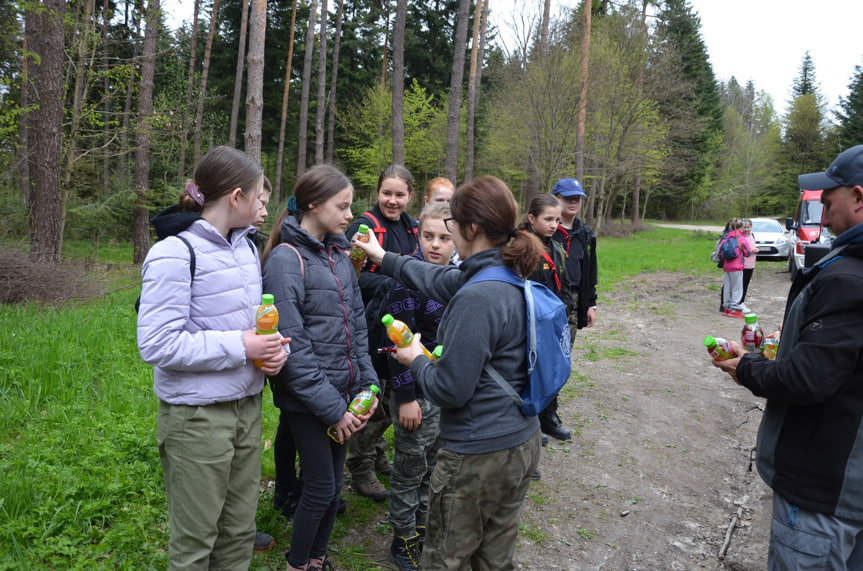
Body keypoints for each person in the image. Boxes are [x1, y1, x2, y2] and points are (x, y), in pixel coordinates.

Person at [354, 175, 543, 570]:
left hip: (481, 453)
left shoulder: (477, 296)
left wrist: (413, 358)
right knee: (494, 556)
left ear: (471, 228)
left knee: (445, 558)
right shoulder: (502, 272)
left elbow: (451, 390)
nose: (446, 234)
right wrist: (381, 256)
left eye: (452, 225)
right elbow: (436, 278)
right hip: (520, 439)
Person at [137, 146, 289, 570]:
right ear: (236, 197)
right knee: (196, 542)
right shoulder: (174, 253)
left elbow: (250, 325)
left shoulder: (244, 249)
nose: (264, 206)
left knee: (239, 532)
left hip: (246, 409)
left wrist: (273, 348)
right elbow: (157, 344)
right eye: (260, 196)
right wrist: (243, 346)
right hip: (197, 419)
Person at [712, 144, 863, 570]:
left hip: (824, 491)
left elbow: (807, 380)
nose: (824, 211)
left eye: (829, 200)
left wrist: (746, 366)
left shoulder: (849, 279)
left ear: (858, 197)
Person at [261, 165, 379, 571]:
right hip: (309, 403)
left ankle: (317, 559)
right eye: (342, 206)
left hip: (344, 397)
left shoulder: (339, 257)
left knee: (332, 490)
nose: (350, 215)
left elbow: (357, 326)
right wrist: (335, 411)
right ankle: (297, 564)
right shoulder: (284, 260)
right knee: (319, 488)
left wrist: (368, 386)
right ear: (313, 203)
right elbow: (293, 347)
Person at [385, 202, 454, 570]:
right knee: (409, 468)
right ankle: (403, 536)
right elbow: (395, 348)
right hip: (417, 395)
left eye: (445, 237)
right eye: (428, 236)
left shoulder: (460, 278)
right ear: (418, 235)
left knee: (436, 464)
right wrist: (406, 398)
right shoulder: (406, 280)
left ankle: (425, 524)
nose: (436, 245)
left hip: (447, 393)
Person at [346, 164, 420, 502]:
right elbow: (351, 275)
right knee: (376, 396)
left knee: (396, 392)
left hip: (403, 322)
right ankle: (359, 463)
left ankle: (375, 452)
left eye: (399, 194)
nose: (392, 200)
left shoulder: (414, 228)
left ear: (410, 196)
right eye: (386, 193)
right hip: (370, 323)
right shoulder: (365, 225)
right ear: (377, 193)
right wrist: (398, 279)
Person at [520, 194, 575, 449]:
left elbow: (563, 282)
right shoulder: (520, 246)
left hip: (554, 318)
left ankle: (548, 416)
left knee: (552, 368)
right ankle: (529, 423)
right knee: (531, 371)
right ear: (531, 218)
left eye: (557, 219)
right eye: (548, 219)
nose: (554, 225)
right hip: (531, 321)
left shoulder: (557, 246)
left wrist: (565, 306)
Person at [550, 178, 597, 441]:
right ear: (556, 197)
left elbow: (591, 271)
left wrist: (590, 303)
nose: (573, 202)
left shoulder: (586, 234)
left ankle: (550, 412)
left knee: (562, 357)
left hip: (574, 301)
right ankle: (534, 412)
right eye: (568, 197)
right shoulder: (547, 230)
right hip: (548, 299)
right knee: (540, 355)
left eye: (577, 198)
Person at [718, 218, 752, 318]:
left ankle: (726, 308)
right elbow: (748, 252)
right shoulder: (741, 238)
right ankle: (734, 309)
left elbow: (720, 252)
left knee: (727, 287)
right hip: (737, 267)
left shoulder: (726, 237)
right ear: (740, 228)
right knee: (737, 288)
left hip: (727, 266)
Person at [740, 218, 760, 304]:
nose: (746, 229)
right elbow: (741, 248)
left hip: (751, 264)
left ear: (751, 227)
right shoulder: (740, 236)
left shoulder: (752, 235)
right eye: (744, 227)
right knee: (740, 285)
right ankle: (738, 302)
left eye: (748, 227)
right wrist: (752, 250)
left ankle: (742, 301)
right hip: (742, 265)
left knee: (746, 284)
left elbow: (753, 245)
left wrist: (756, 249)